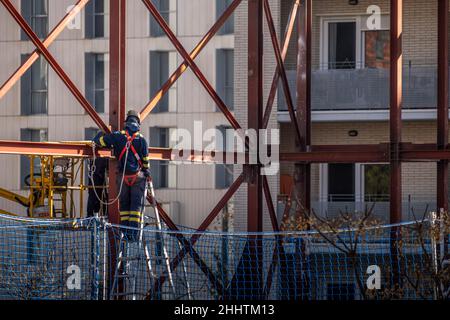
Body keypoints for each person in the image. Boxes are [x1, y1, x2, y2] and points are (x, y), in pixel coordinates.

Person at [93, 110, 150, 240]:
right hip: (138, 177)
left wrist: (98, 137)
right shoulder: (142, 140)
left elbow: (100, 142)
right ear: (137, 122)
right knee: (136, 207)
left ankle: (125, 233)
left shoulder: (117, 136)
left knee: (124, 206)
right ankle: (134, 235)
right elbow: (146, 161)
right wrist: (146, 172)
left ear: (127, 121)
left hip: (123, 177)